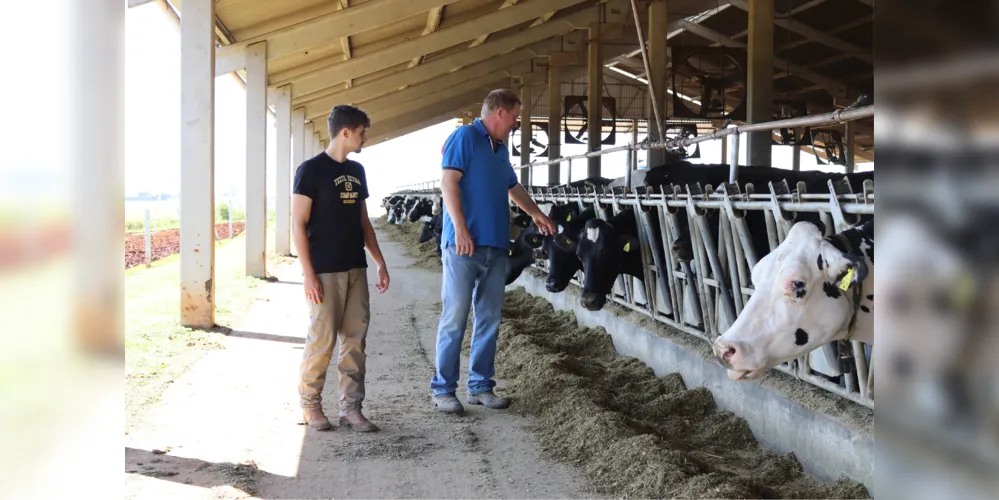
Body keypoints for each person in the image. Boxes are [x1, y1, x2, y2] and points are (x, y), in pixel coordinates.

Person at [430, 89, 556, 414]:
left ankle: (480, 386)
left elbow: (512, 187)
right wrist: (459, 228)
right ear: (500, 112)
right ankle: (444, 390)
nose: (515, 124)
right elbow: (448, 182)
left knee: (489, 318)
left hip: (496, 246)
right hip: (462, 246)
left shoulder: (500, 148)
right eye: (514, 117)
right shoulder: (465, 136)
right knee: (455, 317)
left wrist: (536, 213)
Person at [292, 105, 390, 432]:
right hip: (323, 271)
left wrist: (379, 262)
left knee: (355, 339)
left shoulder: (358, 171)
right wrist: (308, 274)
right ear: (346, 132)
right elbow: (297, 224)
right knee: (322, 339)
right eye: (362, 132)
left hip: (355, 268)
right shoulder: (310, 171)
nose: (365, 137)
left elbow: (364, 222)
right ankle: (310, 405)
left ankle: (351, 408)